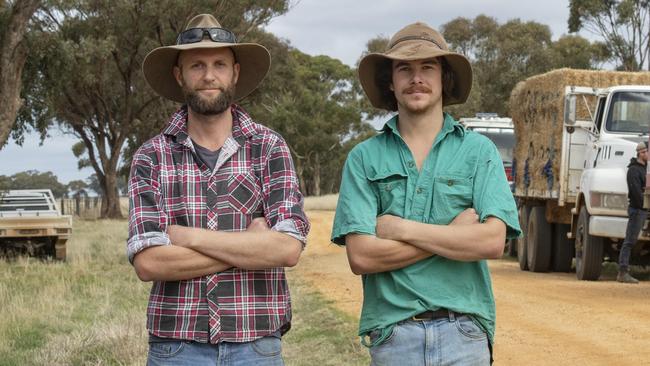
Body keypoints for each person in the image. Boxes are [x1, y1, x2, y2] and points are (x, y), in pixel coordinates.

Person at [331, 22, 520, 365]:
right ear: (391, 80)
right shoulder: (364, 158)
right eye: (405, 68)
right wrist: (455, 236)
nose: (416, 78)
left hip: (464, 331)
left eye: (427, 67)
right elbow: (362, 257)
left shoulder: (480, 152)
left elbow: (492, 242)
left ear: (444, 79)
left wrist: (399, 229)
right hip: (393, 334)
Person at [127, 14, 309, 365]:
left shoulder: (269, 148)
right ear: (179, 75)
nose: (209, 75)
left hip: (256, 344)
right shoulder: (151, 157)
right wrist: (251, 244)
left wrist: (185, 237)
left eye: (219, 64)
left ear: (235, 73)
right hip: (176, 346)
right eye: (196, 65)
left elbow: (287, 249)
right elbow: (149, 262)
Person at [617, 141, 648, 284]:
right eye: (646, 152)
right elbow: (636, 193)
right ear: (641, 153)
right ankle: (622, 272)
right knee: (629, 241)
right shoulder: (634, 170)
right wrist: (645, 203)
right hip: (637, 209)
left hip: (642, 209)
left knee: (630, 241)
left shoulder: (643, 168)